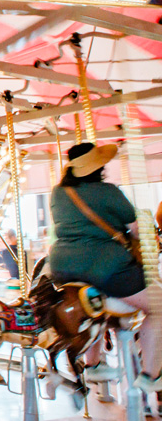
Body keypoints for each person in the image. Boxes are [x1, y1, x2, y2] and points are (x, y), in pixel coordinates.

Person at [49, 142, 162, 390]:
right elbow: (136, 231)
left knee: (94, 308)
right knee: (158, 308)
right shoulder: (109, 191)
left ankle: (94, 365)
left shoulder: (58, 192)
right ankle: (150, 375)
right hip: (103, 266)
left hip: (60, 267)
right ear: (98, 166)